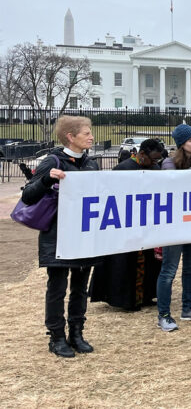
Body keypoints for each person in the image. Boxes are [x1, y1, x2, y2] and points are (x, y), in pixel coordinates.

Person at [22, 116, 101, 357]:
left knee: (80, 287)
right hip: (57, 236)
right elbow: (28, 196)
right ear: (70, 136)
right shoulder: (52, 161)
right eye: (86, 133)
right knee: (57, 287)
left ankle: (77, 332)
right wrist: (47, 179)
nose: (91, 136)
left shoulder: (91, 164)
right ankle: (56, 336)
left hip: (84, 235)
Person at [89, 139, 164, 312]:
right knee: (125, 265)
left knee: (149, 263)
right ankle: (126, 300)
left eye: (157, 160)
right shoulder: (123, 169)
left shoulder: (154, 169)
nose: (155, 163)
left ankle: (145, 296)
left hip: (146, 224)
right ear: (142, 154)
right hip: (125, 225)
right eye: (152, 159)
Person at [157, 124, 191, 332]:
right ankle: (164, 314)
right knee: (169, 271)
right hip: (174, 224)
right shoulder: (169, 162)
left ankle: (188, 307)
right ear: (181, 144)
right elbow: (172, 181)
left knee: (190, 268)